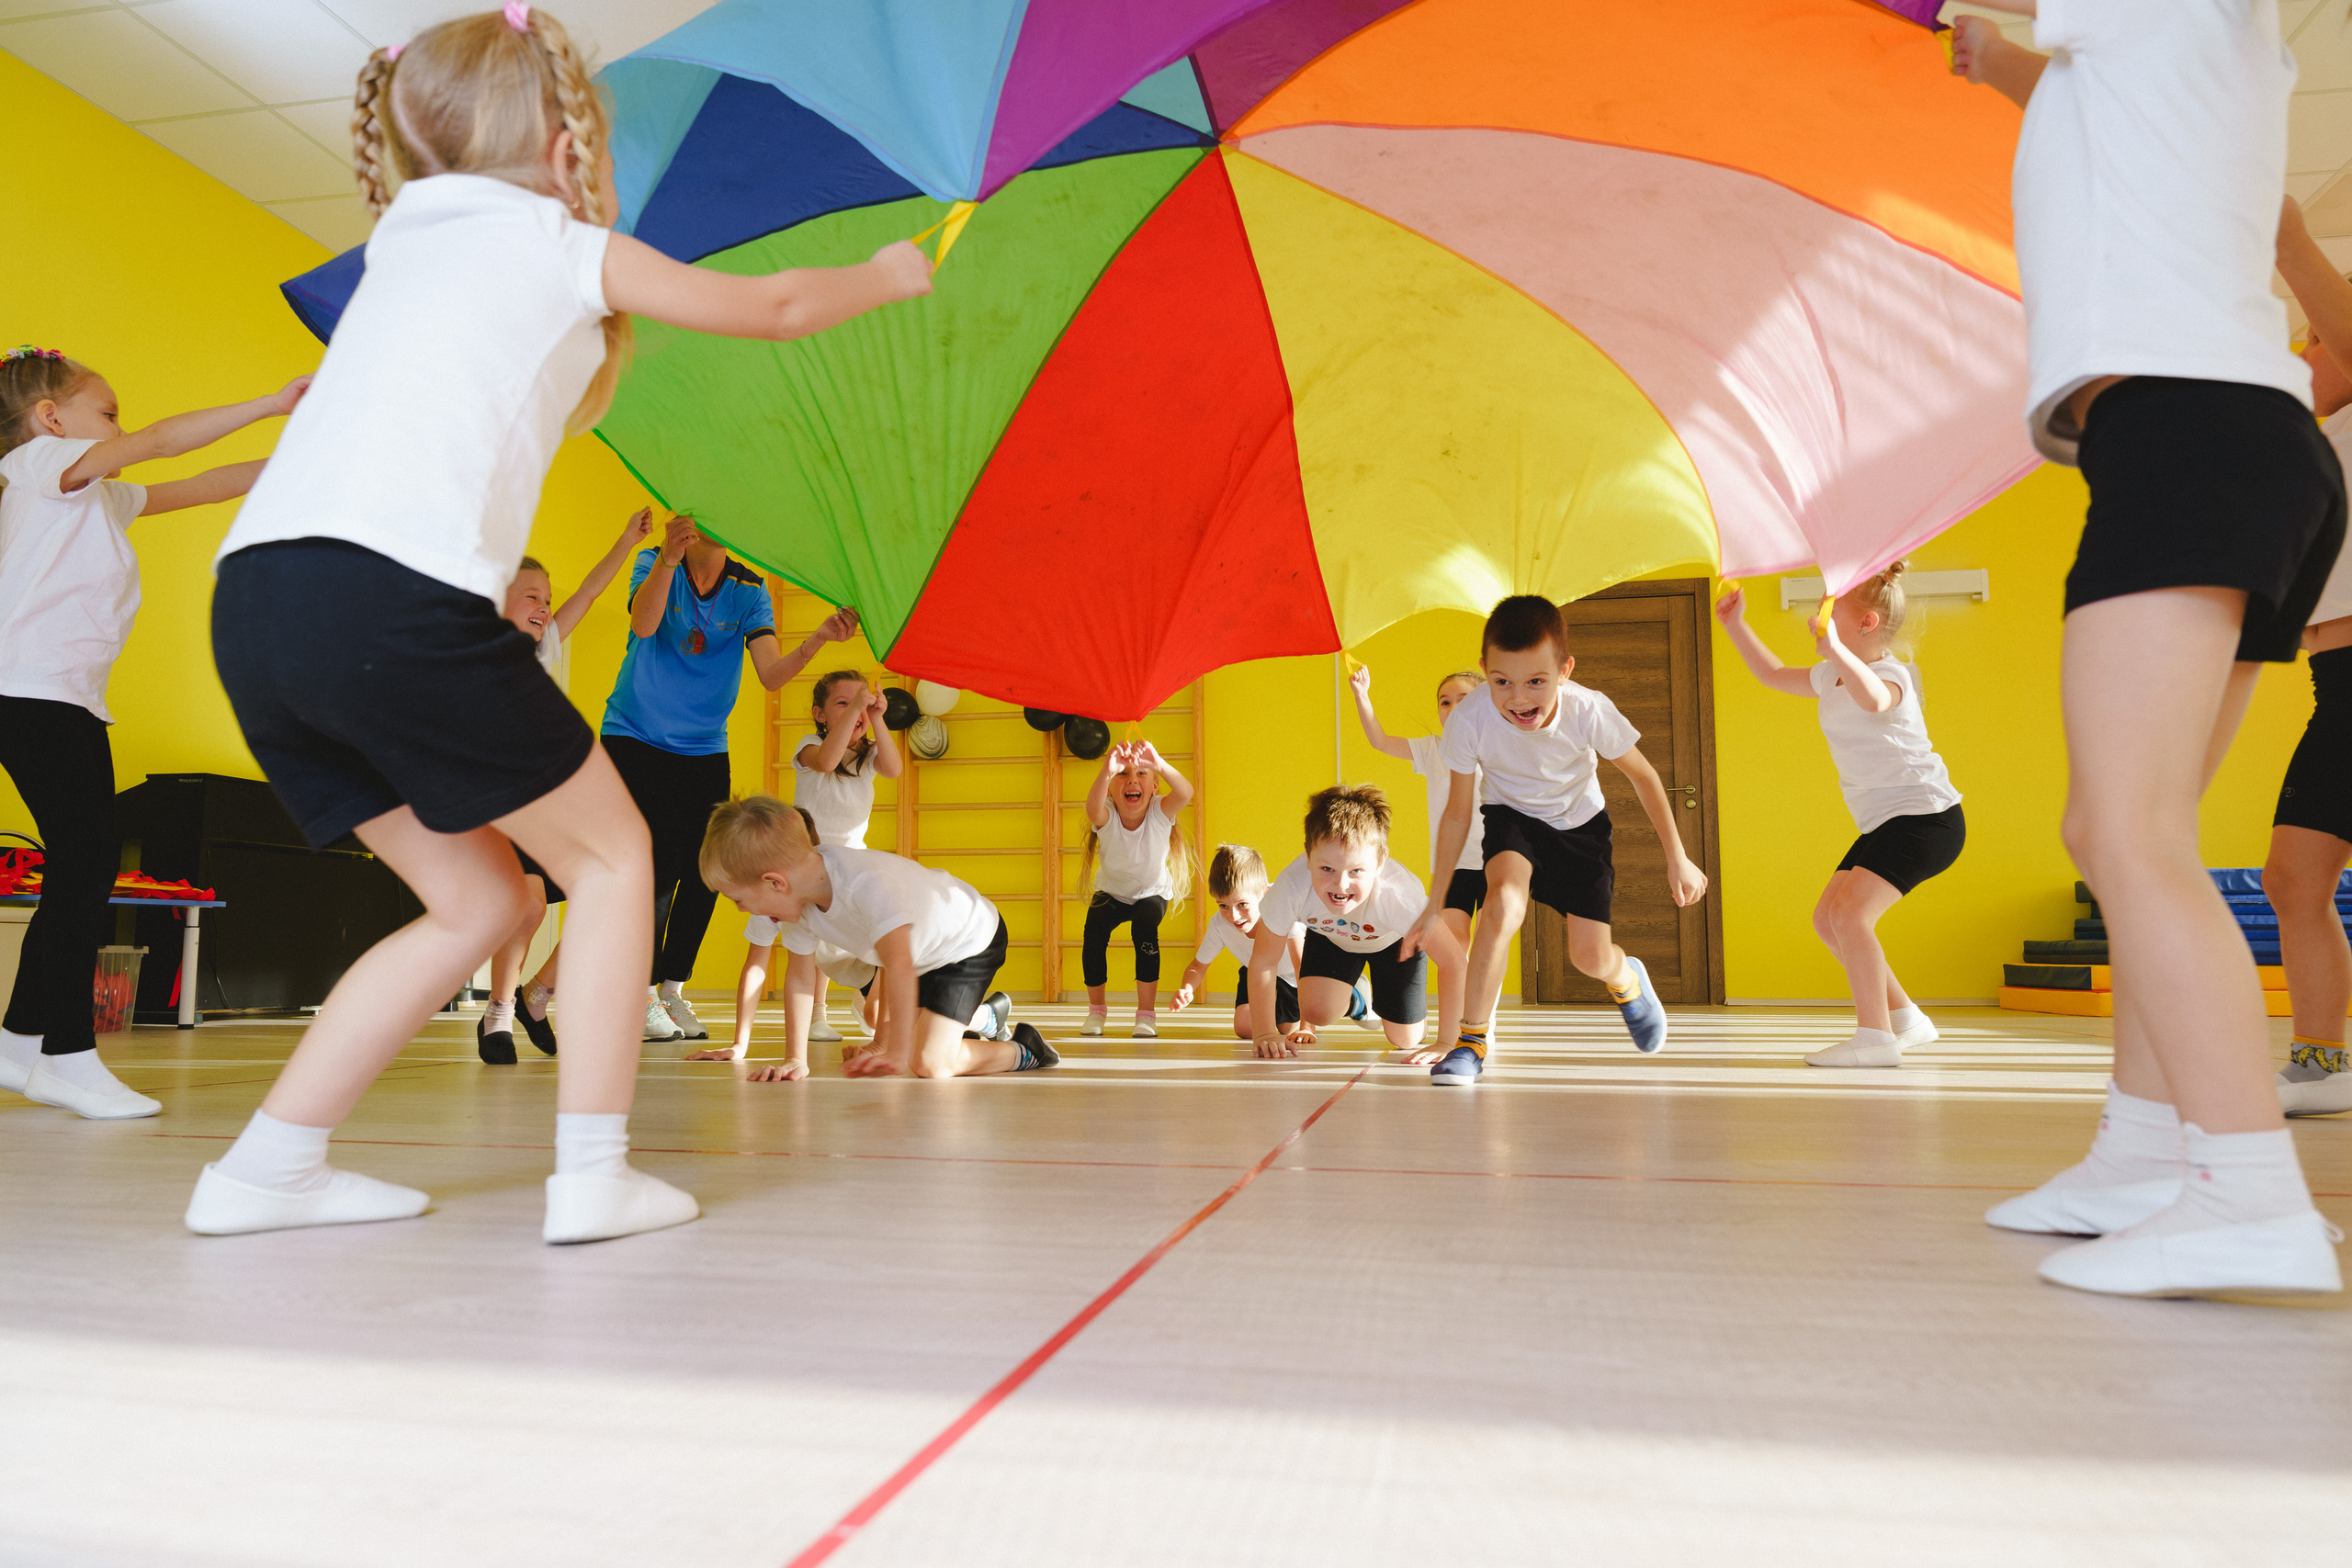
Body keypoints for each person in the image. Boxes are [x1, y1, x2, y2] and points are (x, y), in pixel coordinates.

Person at [185, 6, 932, 1245]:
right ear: (564, 133)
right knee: (612, 854)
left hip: (259, 602)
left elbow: (535, 398)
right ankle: (592, 1173)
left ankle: (267, 1165)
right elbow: (781, 305)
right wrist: (889, 273)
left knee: (480, 904)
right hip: (387, 592)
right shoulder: (549, 234)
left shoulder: (402, 243)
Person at [1954, 5, 2343, 1295]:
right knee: (2129, 826)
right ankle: (2141, 1152)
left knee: (2129, 835)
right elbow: (2092, 118)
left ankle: (2243, 1189)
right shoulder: (2197, 45)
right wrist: (2002, 62)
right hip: (2238, 442)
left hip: (2185, 438)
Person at [0, 347, 307, 1119]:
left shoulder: (95, 496)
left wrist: (307, 449)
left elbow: (203, 485)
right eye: (107, 413)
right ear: (50, 418)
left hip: (49, 693)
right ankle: (67, 1052)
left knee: (81, 860)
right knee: (85, 860)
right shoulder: (44, 463)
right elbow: (167, 442)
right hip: (32, 690)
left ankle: (18, 1045)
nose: (120, 428)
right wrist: (271, 401)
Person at [1414, 594, 1708, 1084]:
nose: (1518, 698)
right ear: (1485, 669)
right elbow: (1458, 812)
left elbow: (1645, 777)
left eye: (1536, 681)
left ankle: (1627, 978)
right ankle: (1471, 1041)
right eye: (1501, 681)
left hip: (1580, 828)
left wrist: (1677, 857)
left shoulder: (1587, 710)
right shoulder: (1470, 720)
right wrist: (1435, 899)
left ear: (1565, 670)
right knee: (1504, 903)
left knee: (1589, 957)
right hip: (1511, 817)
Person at [602, 510, 860, 1047]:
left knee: (708, 870)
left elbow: (770, 675)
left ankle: (671, 989)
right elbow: (644, 625)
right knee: (647, 869)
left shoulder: (747, 588)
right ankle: (641, 992)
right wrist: (668, 559)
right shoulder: (654, 562)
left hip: (701, 747)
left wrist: (817, 640)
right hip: (634, 734)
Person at [1715, 565, 1963, 1067]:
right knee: (1829, 920)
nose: (1818, 617)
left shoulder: (1893, 675)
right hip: (1887, 823)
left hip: (1926, 818)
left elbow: (1872, 700)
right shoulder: (1830, 674)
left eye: (1831, 610)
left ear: (1866, 623)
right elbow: (1771, 674)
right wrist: (1735, 624)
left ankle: (1875, 1039)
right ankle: (1906, 1019)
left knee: (1851, 915)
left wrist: (1832, 651)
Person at [699, 795, 1051, 1079]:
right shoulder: (800, 904)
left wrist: (895, 1050)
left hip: (967, 941)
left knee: (928, 1063)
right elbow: (801, 978)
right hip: (921, 954)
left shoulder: (865, 885)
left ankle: (1026, 1050)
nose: (743, 911)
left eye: (739, 901)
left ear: (775, 882)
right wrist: (795, 1058)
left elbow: (898, 965)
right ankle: (986, 1018)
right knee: (911, 1037)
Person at [480, 506, 655, 1063]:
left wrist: (627, 539)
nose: (544, 606)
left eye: (546, 598)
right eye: (531, 595)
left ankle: (538, 994)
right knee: (529, 907)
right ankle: (499, 1013)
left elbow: (592, 588)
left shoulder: (543, 648)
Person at [2265, 197, 2352, 1118]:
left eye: (2312, 339)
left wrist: (2287, 239)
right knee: (2292, 877)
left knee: (2297, 875)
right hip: (2336, 687)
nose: (2303, 352)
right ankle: (2323, 1062)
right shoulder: (2321, 444)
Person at [1252, 785, 1466, 1062]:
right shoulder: (1291, 887)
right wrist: (1264, 1033)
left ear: (1380, 863)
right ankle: (1358, 997)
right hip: (1332, 937)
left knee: (1405, 1040)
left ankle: (1408, 1019)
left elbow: (1455, 962)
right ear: (1307, 856)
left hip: (1394, 942)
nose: (1340, 885)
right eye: (1326, 869)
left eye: (1356, 871)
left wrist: (1447, 1042)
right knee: (1317, 1011)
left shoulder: (1399, 898)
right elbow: (1263, 961)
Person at [791, 670, 902, 1042]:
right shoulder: (809, 746)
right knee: (817, 939)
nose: (857, 711)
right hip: (812, 859)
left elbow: (894, 768)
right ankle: (816, 1015)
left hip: (853, 862)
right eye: (844, 703)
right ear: (819, 714)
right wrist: (859, 704)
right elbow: (826, 761)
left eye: (863, 704)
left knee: (861, 934)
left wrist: (878, 719)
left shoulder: (867, 755)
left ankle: (865, 996)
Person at [1171, 842, 1372, 1041]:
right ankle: (1274, 1012)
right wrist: (1187, 988)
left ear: (1265, 893)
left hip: (1296, 976)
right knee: (1245, 1028)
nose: (1233, 915)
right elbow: (1198, 965)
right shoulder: (1219, 924)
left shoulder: (1281, 909)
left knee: (1290, 1028)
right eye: (1223, 905)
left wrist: (1307, 1027)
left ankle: (1353, 996)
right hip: (1257, 971)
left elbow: (1300, 965)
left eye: (1242, 904)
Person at [1349, 663, 1487, 947]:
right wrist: (1362, 695)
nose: (1452, 707)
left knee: (1489, 940)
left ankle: (1484, 994)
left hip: (1494, 860)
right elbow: (1381, 741)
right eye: (1445, 702)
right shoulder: (1432, 750)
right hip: (1452, 866)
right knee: (1456, 941)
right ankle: (1462, 993)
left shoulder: (1499, 745)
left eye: (1463, 700)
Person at [1078, 739, 1195, 1038]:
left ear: (1155, 786)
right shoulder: (1106, 813)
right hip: (1111, 893)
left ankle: (1146, 1015)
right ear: (1111, 789)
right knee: (1093, 935)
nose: (1132, 780)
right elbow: (1092, 809)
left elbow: (1186, 792)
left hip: (1151, 893)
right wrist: (1106, 771)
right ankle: (1096, 1012)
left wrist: (1158, 764)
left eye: (1141, 774)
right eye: (1123, 775)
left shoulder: (1159, 811)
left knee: (1144, 930)